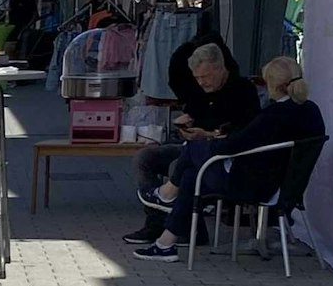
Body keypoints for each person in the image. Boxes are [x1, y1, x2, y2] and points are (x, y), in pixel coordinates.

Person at [134, 57, 323, 262]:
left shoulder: (274, 114)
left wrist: (208, 140)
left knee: (193, 149)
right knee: (191, 175)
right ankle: (165, 243)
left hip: (255, 186)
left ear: (273, 84)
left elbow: (235, 145)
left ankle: (167, 193)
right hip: (287, 186)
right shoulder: (311, 110)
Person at [125, 41, 258, 246]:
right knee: (145, 157)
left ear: (220, 67)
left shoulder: (242, 90)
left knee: (177, 167)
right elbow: (194, 115)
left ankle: (185, 228)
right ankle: (156, 221)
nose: (202, 82)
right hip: (193, 146)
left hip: (222, 153)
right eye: (197, 78)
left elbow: (244, 131)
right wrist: (185, 126)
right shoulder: (199, 92)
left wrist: (209, 134)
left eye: (205, 77)